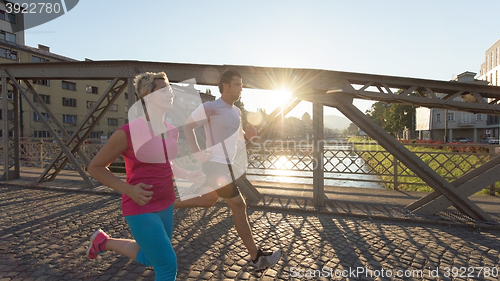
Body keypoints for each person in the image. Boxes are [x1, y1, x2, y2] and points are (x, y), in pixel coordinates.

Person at [86, 72, 205, 281]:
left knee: (151, 258)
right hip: (140, 206)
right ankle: (103, 241)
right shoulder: (128, 132)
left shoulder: (172, 131)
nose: (170, 93)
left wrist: (188, 174)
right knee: (167, 265)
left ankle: (103, 242)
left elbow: (166, 163)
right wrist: (128, 189)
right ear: (146, 96)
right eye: (163, 90)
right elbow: (95, 167)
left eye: (170, 88)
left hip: (166, 203)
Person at [174, 68, 282, 271]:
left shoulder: (236, 111)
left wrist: (247, 135)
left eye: (241, 84)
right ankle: (257, 258)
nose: (241, 88)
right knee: (239, 206)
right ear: (225, 85)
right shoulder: (210, 107)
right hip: (215, 163)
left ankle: (168, 204)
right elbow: (188, 127)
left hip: (226, 164)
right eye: (237, 84)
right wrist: (197, 152)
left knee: (208, 200)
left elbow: (236, 135)